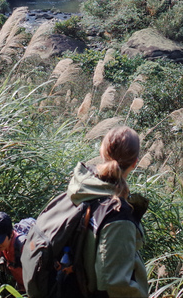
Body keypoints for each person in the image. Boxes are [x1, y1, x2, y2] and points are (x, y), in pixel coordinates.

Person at [67, 125, 149, 297]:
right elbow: (115, 284)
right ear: (135, 163)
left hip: (71, 286)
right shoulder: (118, 214)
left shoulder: (82, 187)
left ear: (102, 152)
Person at [0, 211, 33, 291]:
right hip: (21, 286)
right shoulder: (5, 245)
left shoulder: (24, 247)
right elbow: (1, 251)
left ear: (11, 234)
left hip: (33, 288)